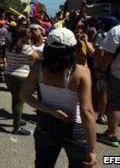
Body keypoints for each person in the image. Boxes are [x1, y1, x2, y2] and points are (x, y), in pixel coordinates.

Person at [20, 28, 97, 168]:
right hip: (75, 126)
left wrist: (50, 110)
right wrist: (92, 149)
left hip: (46, 123)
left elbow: (24, 95)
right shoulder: (81, 72)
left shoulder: (39, 67)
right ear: (73, 49)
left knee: (43, 165)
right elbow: (87, 112)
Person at [4, 27, 38, 135]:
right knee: (19, 102)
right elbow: (36, 57)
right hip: (21, 75)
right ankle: (16, 128)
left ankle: (17, 119)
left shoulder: (10, 46)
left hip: (9, 74)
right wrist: (30, 45)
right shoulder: (26, 47)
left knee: (15, 99)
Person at [96, 23, 120, 147]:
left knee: (115, 104)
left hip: (119, 74)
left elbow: (107, 55)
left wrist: (101, 71)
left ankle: (112, 134)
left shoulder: (117, 31)